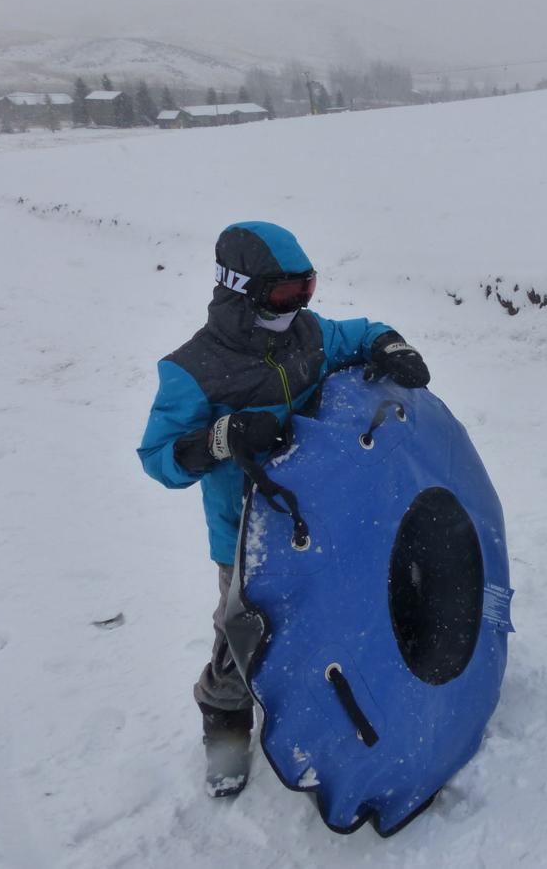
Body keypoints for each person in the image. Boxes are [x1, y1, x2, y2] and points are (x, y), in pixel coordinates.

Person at [137, 221, 430, 797]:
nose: (296, 305)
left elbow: (360, 332)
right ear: (239, 288)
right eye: (282, 294)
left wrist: (388, 343)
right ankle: (224, 727)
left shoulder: (310, 335)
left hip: (326, 516)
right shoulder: (192, 370)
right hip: (247, 536)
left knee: (339, 612)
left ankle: (335, 702)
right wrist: (220, 437)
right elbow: (158, 458)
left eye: (307, 289)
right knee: (241, 637)